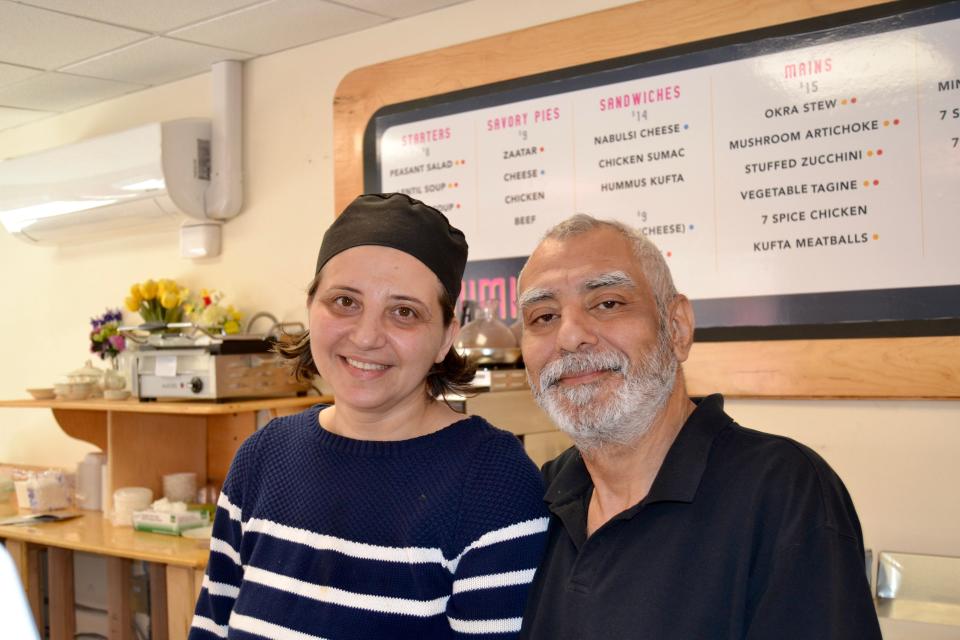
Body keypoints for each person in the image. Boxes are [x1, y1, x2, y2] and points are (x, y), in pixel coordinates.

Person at [189, 193, 549, 639]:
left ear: (444, 338)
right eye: (345, 301)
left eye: (404, 312)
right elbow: (211, 627)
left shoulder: (494, 483)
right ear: (310, 307)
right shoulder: (262, 457)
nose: (366, 336)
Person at [515, 214, 881, 639]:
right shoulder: (540, 498)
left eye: (608, 303)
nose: (570, 335)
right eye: (543, 316)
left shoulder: (783, 491)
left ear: (677, 328)